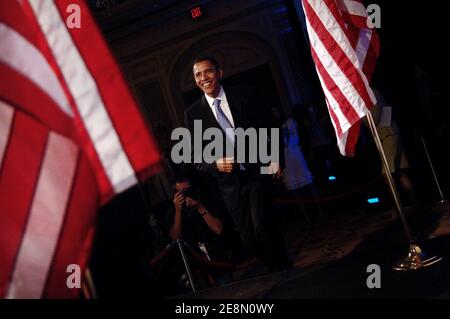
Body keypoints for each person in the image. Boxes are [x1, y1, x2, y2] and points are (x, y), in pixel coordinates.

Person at [183, 56, 291, 272]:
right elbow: (194, 156)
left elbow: (270, 127)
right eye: (198, 74)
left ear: (219, 72)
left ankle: (284, 270)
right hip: (230, 185)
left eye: (208, 71)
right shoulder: (192, 113)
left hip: (258, 172)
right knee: (248, 237)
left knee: (263, 225)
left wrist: (276, 160)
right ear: (195, 81)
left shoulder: (244, 93)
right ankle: (278, 267)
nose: (204, 77)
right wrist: (215, 165)